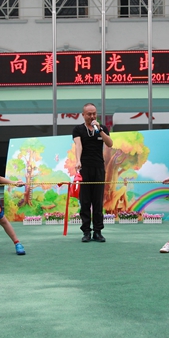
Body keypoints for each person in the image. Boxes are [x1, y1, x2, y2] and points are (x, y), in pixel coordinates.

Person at [72, 103, 113, 243]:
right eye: (89, 114)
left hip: (99, 168)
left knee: (97, 201)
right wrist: (78, 161)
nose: (92, 116)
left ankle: (98, 231)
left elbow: (110, 143)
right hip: (84, 168)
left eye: (94, 113)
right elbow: (78, 145)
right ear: (83, 115)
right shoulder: (78, 129)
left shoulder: (102, 128)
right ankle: (86, 232)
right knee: (85, 201)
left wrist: (100, 130)